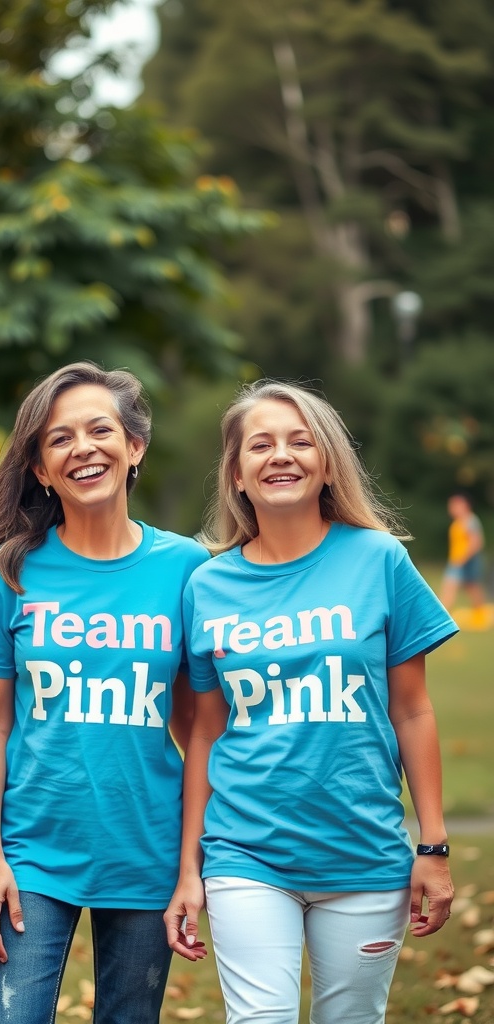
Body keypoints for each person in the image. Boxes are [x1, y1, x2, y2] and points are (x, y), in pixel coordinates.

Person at [164, 379, 457, 1024]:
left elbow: (413, 710)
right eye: (260, 445)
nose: (281, 455)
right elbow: (205, 734)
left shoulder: (379, 560)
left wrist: (432, 847)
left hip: (364, 855)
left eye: (300, 442)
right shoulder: (208, 585)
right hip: (245, 852)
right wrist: (190, 869)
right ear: (236, 474)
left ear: (327, 464)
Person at [0, 361, 208, 1024]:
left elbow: (199, 728)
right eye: (59, 439)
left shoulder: (187, 569)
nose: (82, 448)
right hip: (32, 852)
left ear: (135, 446)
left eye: (100, 430)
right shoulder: (10, 571)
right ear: (40, 468)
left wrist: (193, 862)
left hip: (147, 847)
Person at [440, 493, 489, 625]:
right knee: (472, 587)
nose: (451, 508)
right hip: (459, 561)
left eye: (455, 505)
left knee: (450, 587)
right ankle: (480, 616)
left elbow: (476, 542)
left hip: (462, 561)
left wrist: (462, 559)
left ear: (465, 505)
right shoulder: (459, 521)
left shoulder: (470, 521)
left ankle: (442, 617)